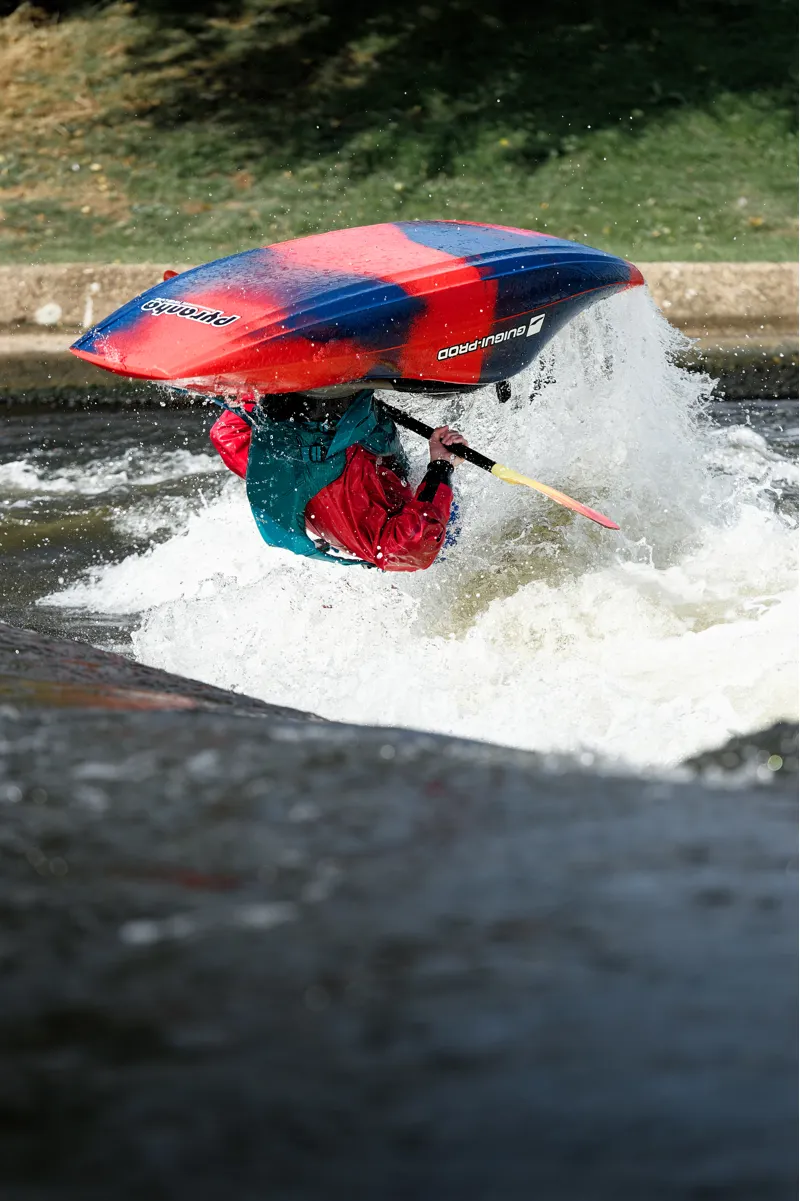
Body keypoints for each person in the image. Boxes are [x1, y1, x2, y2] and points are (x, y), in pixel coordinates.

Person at [209, 388, 468, 572]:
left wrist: (440, 466)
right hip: (307, 401)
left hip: (319, 400)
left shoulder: (372, 541)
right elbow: (226, 436)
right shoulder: (274, 483)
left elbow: (413, 542)